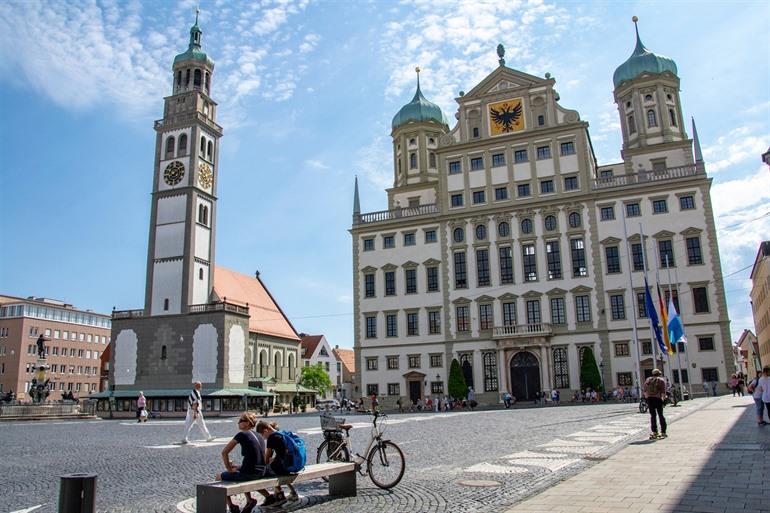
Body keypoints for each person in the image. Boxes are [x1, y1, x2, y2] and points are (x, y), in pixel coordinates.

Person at [217, 412, 269, 513]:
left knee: (219, 476)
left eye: (241, 420)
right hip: (261, 471)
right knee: (238, 470)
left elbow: (224, 452)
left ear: (248, 423)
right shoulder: (259, 435)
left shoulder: (242, 434)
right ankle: (250, 500)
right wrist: (237, 467)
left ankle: (232, 506)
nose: (238, 422)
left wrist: (228, 468)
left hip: (250, 474)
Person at [256, 421, 299, 506]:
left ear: (265, 431)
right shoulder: (280, 433)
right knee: (274, 467)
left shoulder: (272, 437)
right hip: (290, 464)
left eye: (262, 435)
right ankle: (293, 492)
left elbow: (266, 458)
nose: (263, 438)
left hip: (283, 467)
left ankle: (279, 495)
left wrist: (261, 463)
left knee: (264, 470)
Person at [643, 369, 667, 439]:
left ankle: (654, 431)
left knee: (653, 416)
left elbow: (645, 390)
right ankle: (663, 431)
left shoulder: (648, 380)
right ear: (659, 374)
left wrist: (647, 398)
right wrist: (663, 400)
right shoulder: (661, 380)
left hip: (650, 399)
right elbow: (663, 392)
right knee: (660, 415)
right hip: (658, 399)